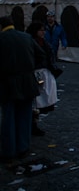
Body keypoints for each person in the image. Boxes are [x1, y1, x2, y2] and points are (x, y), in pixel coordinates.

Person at [0, 16, 42, 166]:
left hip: (8, 83)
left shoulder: (2, 39)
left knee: (9, 117)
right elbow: (41, 55)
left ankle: (9, 151)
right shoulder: (26, 37)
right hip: (27, 81)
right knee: (25, 115)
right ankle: (23, 147)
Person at [25, 22, 59, 136]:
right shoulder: (31, 42)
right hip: (35, 73)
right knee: (35, 101)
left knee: (40, 101)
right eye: (41, 30)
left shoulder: (44, 42)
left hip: (44, 73)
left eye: (44, 30)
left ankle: (34, 123)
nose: (43, 32)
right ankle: (32, 125)